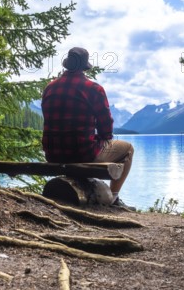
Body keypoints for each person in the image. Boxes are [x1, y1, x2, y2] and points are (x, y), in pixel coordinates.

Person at [41, 47, 134, 210]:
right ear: (84, 67)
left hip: (53, 155)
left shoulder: (49, 88)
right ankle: (113, 198)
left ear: (67, 65)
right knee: (128, 149)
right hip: (82, 154)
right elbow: (106, 128)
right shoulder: (93, 89)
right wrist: (101, 138)